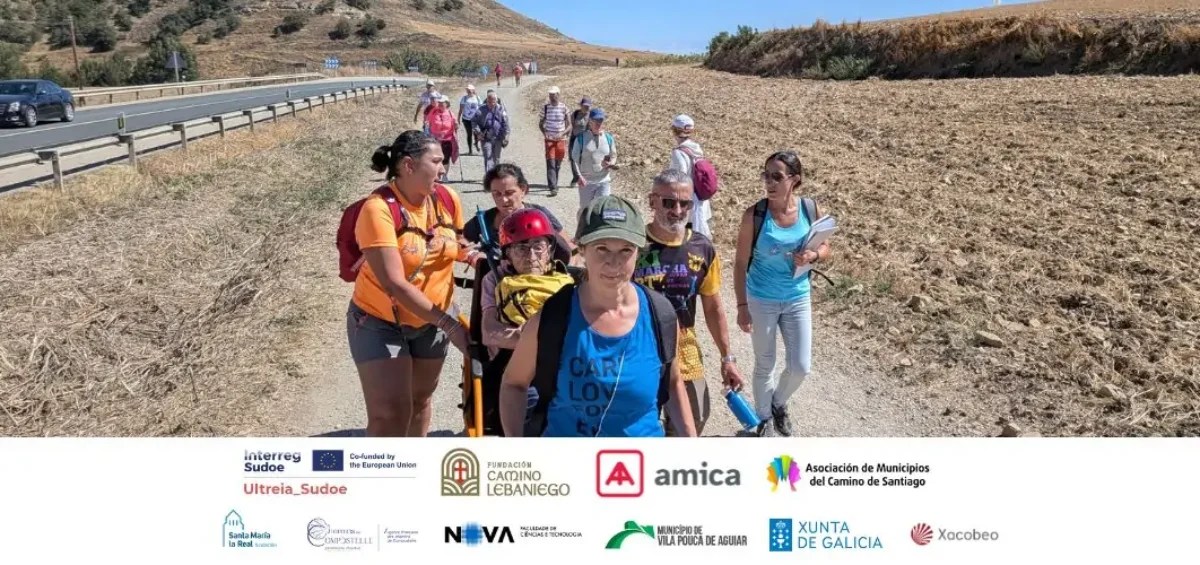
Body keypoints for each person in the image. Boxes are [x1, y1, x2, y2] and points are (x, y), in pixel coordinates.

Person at [499, 195, 697, 438]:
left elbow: (673, 383)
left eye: (625, 250)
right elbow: (514, 384)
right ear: (581, 249)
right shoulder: (554, 317)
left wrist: (691, 444)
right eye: (601, 248)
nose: (613, 262)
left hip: (639, 466)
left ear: (638, 253)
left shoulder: (661, 315)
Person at [349, 130, 480, 437]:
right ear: (408, 166)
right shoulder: (378, 209)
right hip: (380, 322)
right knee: (389, 415)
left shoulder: (447, 199)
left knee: (420, 401)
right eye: (436, 161)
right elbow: (394, 283)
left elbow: (456, 241)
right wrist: (449, 325)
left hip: (431, 322)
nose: (443, 168)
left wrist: (473, 254)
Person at [633, 168, 745, 436]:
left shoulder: (702, 248)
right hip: (637, 342)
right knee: (635, 419)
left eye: (685, 203)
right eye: (669, 202)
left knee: (693, 419)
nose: (678, 210)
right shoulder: (634, 244)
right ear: (652, 201)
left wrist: (727, 358)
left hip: (684, 344)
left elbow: (713, 306)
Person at [733, 151, 832, 437]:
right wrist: (741, 305)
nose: (769, 182)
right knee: (765, 363)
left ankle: (778, 402)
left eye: (777, 176)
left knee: (801, 366)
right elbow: (740, 264)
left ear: (795, 180)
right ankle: (763, 422)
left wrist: (813, 254)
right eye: (766, 175)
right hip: (761, 298)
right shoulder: (755, 215)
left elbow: (826, 249)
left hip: (797, 296)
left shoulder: (810, 210)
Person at [463, 163, 573, 261]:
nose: (504, 200)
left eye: (509, 193)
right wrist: (473, 256)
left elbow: (568, 246)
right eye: (497, 194)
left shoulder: (540, 215)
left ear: (523, 189)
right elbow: (459, 241)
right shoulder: (484, 220)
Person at [668, 114, 713, 239]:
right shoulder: (696, 149)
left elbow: (680, 175)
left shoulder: (679, 152)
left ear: (675, 131)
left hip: (688, 201)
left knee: (687, 237)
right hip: (701, 199)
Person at [570, 107, 617, 212]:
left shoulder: (609, 138)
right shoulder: (580, 139)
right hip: (586, 182)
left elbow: (614, 155)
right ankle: (582, 227)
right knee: (585, 210)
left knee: (603, 210)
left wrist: (611, 163)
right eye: (596, 120)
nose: (599, 123)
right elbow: (575, 160)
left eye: (601, 120)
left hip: (604, 180)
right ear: (589, 122)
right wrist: (579, 177)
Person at [539, 86, 570, 197]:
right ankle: (553, 187)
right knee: (551, 162)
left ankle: (554, 183)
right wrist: (545, 132)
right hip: (549, 140)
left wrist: (563, 133)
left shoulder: (564, 108)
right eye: (550, 95)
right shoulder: (545, 108)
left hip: (561, 140)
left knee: (557, 164)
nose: (552, 97)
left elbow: (569, 125)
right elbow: (540, 123)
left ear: (558, 95)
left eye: (554, 95)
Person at [471, 92, 510, 174]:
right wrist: (478, 132)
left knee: (496, 158)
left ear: (496, 101)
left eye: (493, 101)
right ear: (487, 101)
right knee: (488, 157)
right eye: (489, 101)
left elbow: (506, 123)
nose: (492, 103)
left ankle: (495, 176)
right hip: (485, 138)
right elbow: (474, 121)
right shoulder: (481, 110)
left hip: (498, 137)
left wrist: (506, 136)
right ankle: (489, 177)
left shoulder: (501, 109)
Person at [427, 96, 458, 183]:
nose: (440, 104)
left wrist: (456, 125)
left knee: (446, 158)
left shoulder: (451, 114)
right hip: (435, 140)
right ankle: (435, 175)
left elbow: (456, 125)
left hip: (447, 139)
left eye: (442, 103)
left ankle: (444, 175)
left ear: (447, 104)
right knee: (435, 158)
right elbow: (427, 120)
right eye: (439, 103)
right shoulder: (433, 112)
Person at [567, 97, 591, 188]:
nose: (586, 108)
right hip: (574, 139)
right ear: (581, 105)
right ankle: (576, 176)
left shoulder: (591, 116)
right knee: (573, 158)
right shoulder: (576, 114)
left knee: (583, 159)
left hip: (585, 140)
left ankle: (583, 177)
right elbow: (570, 124)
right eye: (585, 106)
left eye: (588, 106)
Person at [458, 85, 482, 155]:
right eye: (467, 89)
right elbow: (461, 109)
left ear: (473, 90)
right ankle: (470, 150)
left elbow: (481, 108)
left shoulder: (477, 98)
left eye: (470, 89)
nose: (468, 90)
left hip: (476, 119)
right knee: (469, 134)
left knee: (476, 133)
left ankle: (476, 143)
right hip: (466, 119)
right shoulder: (464, 98)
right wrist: (458, 118)